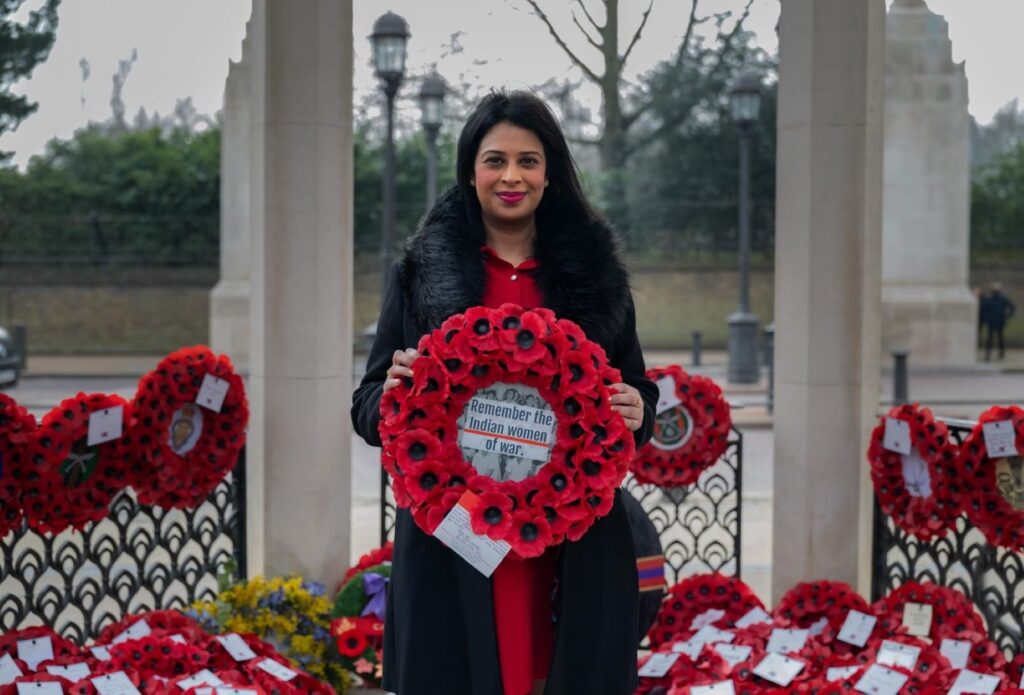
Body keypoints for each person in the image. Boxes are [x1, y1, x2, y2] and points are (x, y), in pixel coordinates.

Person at [351, 90, 658, 695]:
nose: (511, 176)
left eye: (529, 161)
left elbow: (636, 387)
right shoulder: (419, 272)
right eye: (495, 160)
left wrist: (638, 408)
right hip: (456, 538)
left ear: (550, 174)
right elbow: (365, 406)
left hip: (572, 538)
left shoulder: (597, 276)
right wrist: (391, 394)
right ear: (471, 170)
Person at [984, 281, 1016, 361]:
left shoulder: (1003, 298)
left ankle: (1001, 354)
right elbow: (985, 309)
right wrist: (987, 318)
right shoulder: (989, 298)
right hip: (992, 321)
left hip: (999, 321)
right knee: (990, 339)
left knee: (1000, 338)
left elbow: (1012, 307)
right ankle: (988, 354)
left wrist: (1006, 316)